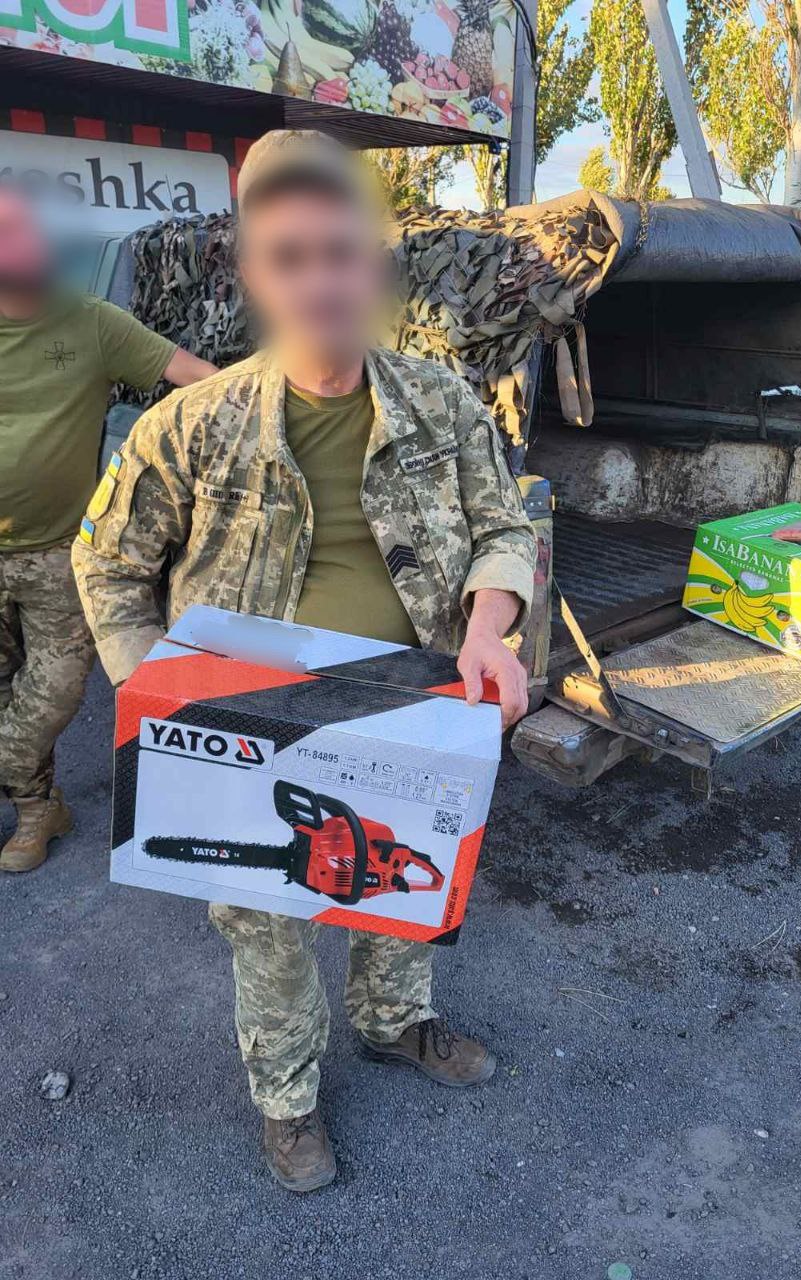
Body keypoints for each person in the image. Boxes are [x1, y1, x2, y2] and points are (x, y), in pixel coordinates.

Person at [72, 130, 536, 1192]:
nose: (320, 281)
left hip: (409, 711)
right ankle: (287, 1100)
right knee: (268, 922)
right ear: (256, 272)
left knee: (399, 879)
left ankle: (394, 1022)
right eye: (290, 256)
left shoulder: (442, 403)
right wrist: (153, 690)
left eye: (341, 252)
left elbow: (504, 526)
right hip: (252, 722)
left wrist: (488, 623)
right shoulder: (192, 425)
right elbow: (106, 562)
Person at [0, 187, 216, 874]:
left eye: (27, 229)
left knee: (53, 692)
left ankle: (13, 771)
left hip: (61, 557)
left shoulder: (90, 322)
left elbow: (200, 380)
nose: (28, 244)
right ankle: (37, 810)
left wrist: (285, 397)